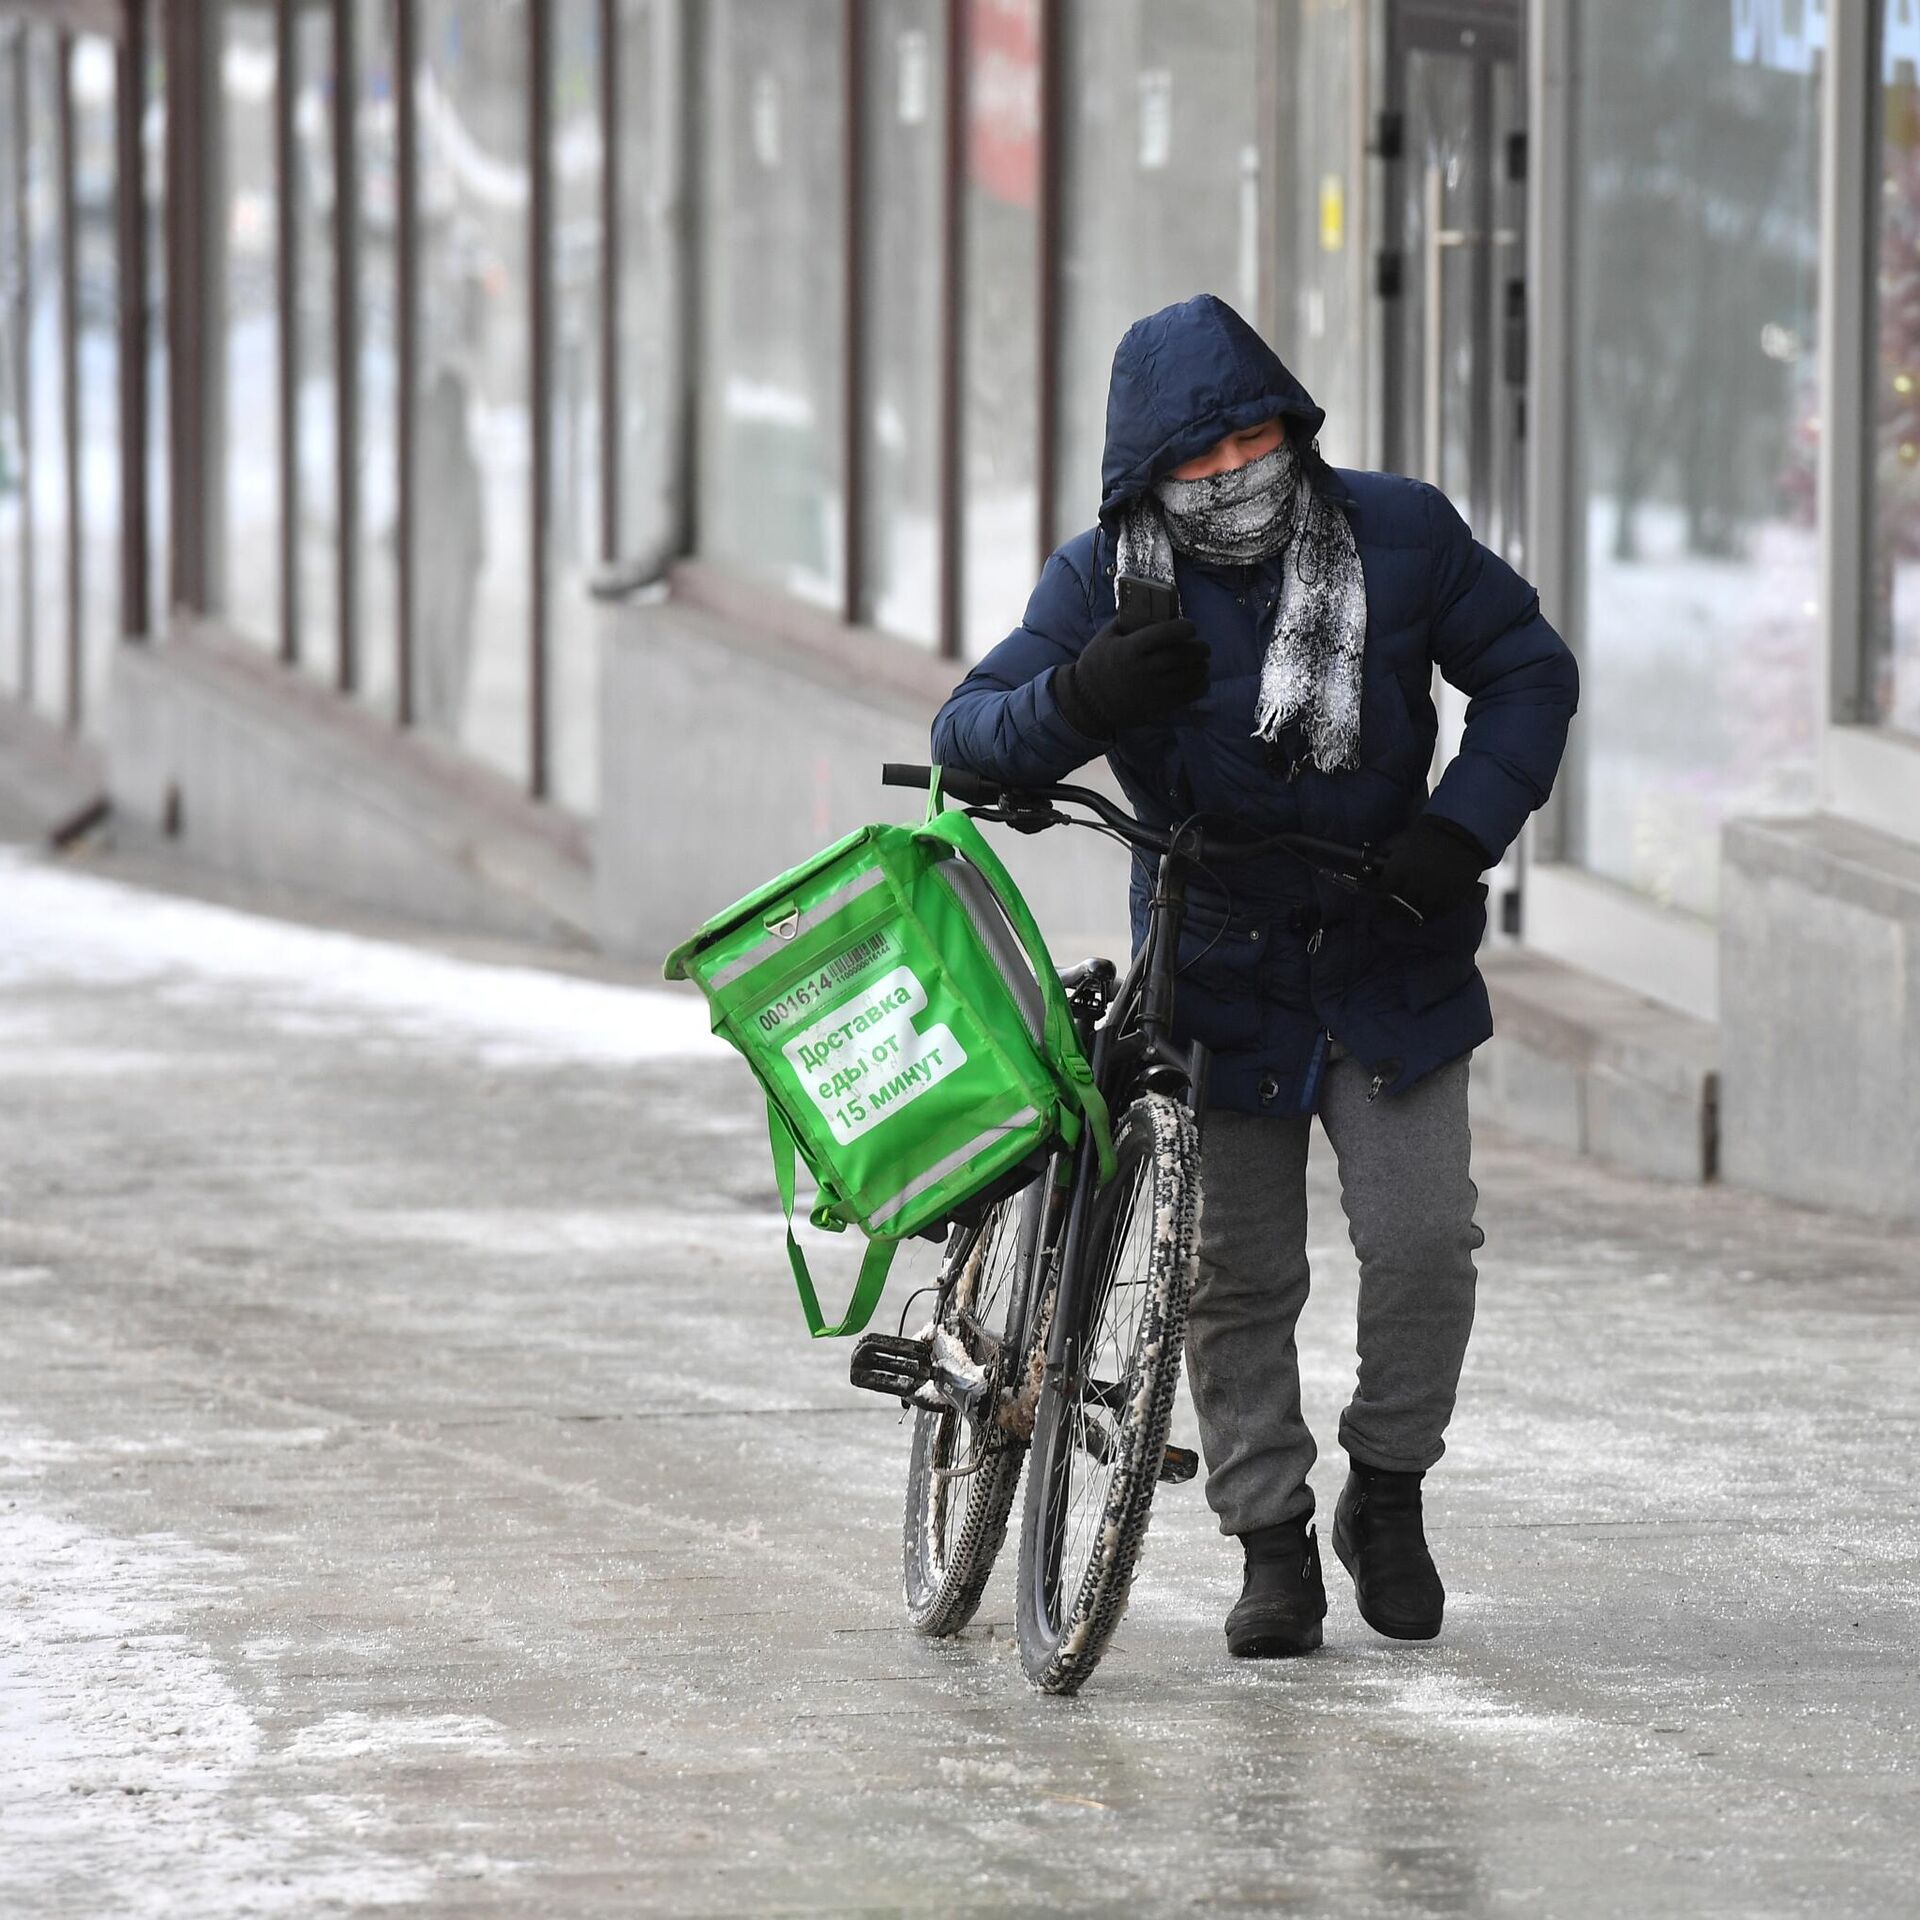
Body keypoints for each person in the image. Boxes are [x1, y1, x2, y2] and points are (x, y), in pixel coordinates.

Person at [930, 293, 1577, 1658]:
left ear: (1294, 423)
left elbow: (1525, 670)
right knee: (1233, 1277)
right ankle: (1271, 1539)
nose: (1233, 478)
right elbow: (967, 738)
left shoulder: (1400, 533)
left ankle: (1386, 1495)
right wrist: (1083, 702)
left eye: (1253, 442)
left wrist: (1457, 833)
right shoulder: (1104, 581)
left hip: (1384, 942)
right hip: (1215, 959)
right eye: (1199, 462)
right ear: (1147, 476)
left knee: (1421, 1248)